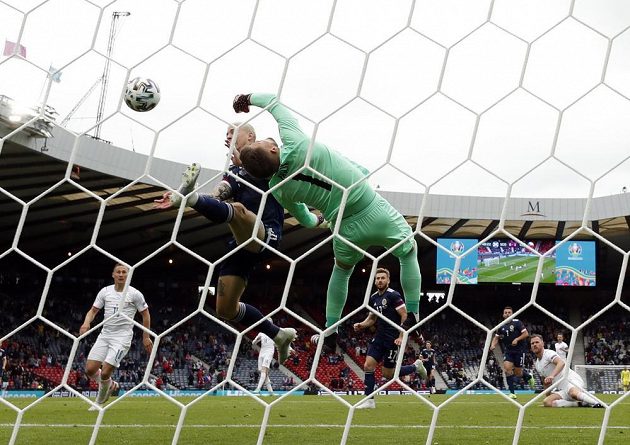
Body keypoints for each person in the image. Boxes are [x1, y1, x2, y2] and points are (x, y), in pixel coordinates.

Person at [233, 93, 422, 349]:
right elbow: (275, 103)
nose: (270, 138)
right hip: (371, 206)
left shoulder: (279, 189)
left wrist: (321, 219)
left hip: (345, 228)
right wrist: (247, 98)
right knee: (409, 251)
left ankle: (331, 329)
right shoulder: (296, 142)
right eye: (268, 141)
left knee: (342, 271)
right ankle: (412, 314)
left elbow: (305, 219)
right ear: (274, 148)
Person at [153, 123, 296, 362]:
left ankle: (189, 197)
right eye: (225, 134)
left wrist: (190, 199)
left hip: (266, 235)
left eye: (232, 132)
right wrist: (201, 199)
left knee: (238, 210)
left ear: (251, 136)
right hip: (240, 245)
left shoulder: (266, 161)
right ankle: (279, 335)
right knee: (226, 310)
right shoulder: (233, 172)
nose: (227, 137)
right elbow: (220, 194)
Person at [80, 263, 152, 410]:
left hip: (122, 337)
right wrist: (86, 323)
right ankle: (111, 385)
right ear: (113, 275)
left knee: (105, 371)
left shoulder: (135, 294)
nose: (120, 274)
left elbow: (146, 315)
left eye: (124, 272)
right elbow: (93, 311)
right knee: (89, 370)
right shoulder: (105, 292)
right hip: (105, 334)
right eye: (118, 272)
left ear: (128, 275)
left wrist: (145, 337)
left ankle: (99, 402)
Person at [353, 268, 427, 409]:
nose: (380, 280)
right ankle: (369, 401)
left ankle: (415, 366)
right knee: (368, 365)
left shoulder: (394, 295)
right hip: (380, 336)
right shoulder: (374, 297)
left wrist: (401, 336)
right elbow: (372, 318)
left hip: (393, 338)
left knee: (388, 374)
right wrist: (361, 325)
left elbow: (405, 316)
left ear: (388, 280)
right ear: (375, 281)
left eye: (382, 278)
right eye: (377, 278)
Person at [530, 334, 602, 408]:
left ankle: (597, 403)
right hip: (562, 389)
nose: (534, 345)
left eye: (537, 342)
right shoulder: (537, 364)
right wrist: (548, 395)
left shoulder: (548, 353)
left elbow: (561, 363)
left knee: (573, 393)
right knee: (547, 402)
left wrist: (552, 375)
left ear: (542, 343)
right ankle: (580, 404)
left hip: (571, 380)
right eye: (532, 343)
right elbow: (545, 382)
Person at [489, 306, 536, 398]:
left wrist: (517, 339)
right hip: (508, 351)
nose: (507, 314)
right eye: (505, 312)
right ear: (503, 315)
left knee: (518, 373)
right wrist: (493, 345)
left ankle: (529, 376)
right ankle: (512, 393)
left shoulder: (517, 323)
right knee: (507, 369)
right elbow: (496, 337)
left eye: (509, 312)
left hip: (519, 350)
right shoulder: (501, 325)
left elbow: (526, 334)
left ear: (512, 314)